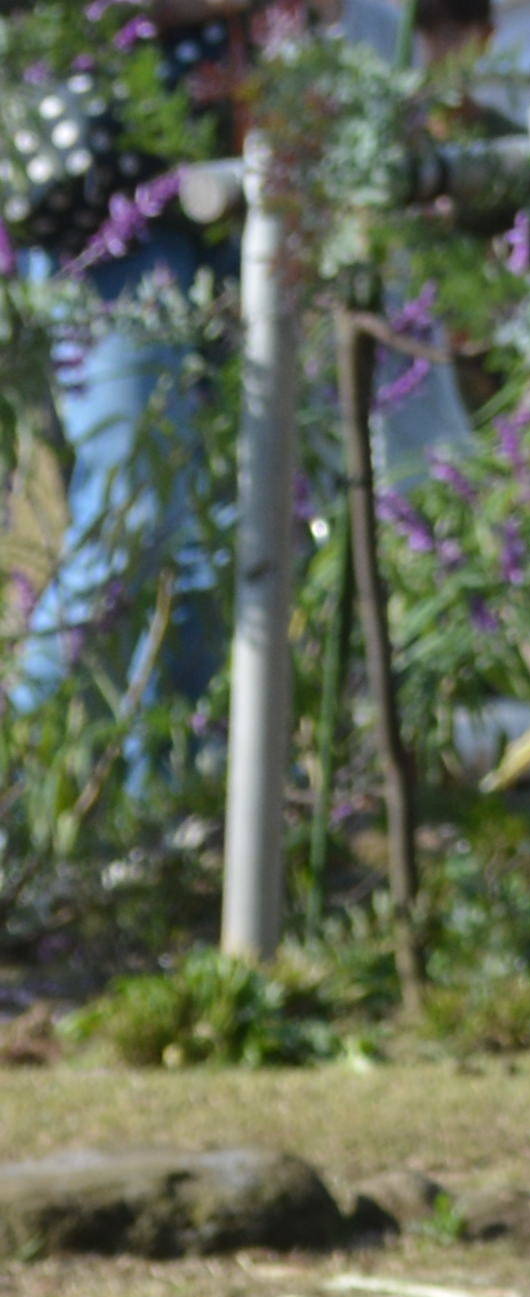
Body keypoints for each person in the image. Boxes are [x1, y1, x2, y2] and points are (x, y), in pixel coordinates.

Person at [5, 3, 248, 761]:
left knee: (211, 528)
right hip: (106, 218)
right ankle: (21, 771)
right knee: (130, 516)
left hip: (220, 196)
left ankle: (176, 792)